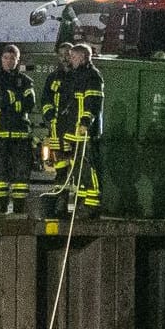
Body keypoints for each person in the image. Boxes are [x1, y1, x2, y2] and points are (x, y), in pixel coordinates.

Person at [0, 44, 35, 215]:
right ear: (1, 59)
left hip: (20, 133)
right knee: (0, 171)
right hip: (0, 132)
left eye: (12, 58)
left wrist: (11, 100)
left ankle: (19, 207)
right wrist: (16, 100)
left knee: (21, 172)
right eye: (5, 58)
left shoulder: (26, 81)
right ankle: (1, 205)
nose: (9, 61)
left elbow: (29, 103)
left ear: (18, 61)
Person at [54, 42, 104, 212]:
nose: (70, 59)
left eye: (74, 56)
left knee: (87, 166)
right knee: (77, 168)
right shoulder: (73, 76)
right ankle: (81, 202)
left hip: (83, 131)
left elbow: (92, 103)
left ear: (83, 58)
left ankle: (92, 202)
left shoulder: (92, 76)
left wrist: (85, 122)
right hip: (71, 131)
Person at [39, 42, 74, 194]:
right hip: (56, 128)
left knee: (76, 163)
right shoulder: (53, 78)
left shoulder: (78, 76)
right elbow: (45, 99)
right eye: (61, 55)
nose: (64, 58)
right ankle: (61, 199)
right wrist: (50, 115)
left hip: (73, 127)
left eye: (67, 54)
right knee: (60, 164)